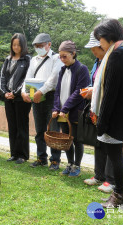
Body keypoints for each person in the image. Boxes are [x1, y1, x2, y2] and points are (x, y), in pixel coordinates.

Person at [92, 19, 123, 208]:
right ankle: (118, 195)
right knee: (116, 156)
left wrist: (102, 121)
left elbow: (110, 93)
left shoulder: (117, 55)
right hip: (120, 115)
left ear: (108, 37)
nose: (99, 43)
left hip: (114, 117)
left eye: (99, 39)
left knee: (116, 156)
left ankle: (120, 197)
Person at [21, 33, 64, 170]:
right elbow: (27, 78)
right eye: (36, 46)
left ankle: (55, 160)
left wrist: (41, 91)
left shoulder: (56, 58)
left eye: (41, 46)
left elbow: (53, 80)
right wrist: (23, 92)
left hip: (51, 97)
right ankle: (41, 157)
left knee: (53, 130)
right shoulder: (34, 60)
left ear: (49, 45)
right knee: (39, 130)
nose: (39, 48)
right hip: (35, 95)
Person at [83, 32, 115, 192]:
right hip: (96, 109)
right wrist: (90, 90)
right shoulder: (97, 62)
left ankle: (111, 179)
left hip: (109, 109)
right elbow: (94, 83)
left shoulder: (112, 62)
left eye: (96, 48)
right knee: (99, 143)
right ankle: (99, 175)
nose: (93, 51)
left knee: (110, 144)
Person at [52, 40, 90, 177]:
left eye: (65, 56)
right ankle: (69, 163)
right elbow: (57, 91)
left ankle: (77, 165)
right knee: (66, 139)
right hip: (63, 111)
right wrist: (56, 108)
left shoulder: (82, 69)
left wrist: (66, 108)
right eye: (60, 57)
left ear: (73, 54)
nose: (62, 60)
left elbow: (79, 92)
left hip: (75, 111)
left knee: (77, 139)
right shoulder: (62, 70)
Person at [0, 33, 31, 164]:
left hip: (21, 98)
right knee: (12, 126)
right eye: (14, 45)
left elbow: (27, 79)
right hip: (8, 98)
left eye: (18, 45)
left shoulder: (28, 59)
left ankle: (23, 155)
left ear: (23, 45)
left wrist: (15, 93)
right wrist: (5, 92)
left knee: (22, 125)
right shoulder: (7, 59)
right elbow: (2, 78)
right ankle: (13, 153)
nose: (16, 47)